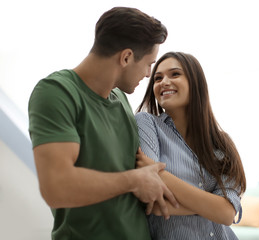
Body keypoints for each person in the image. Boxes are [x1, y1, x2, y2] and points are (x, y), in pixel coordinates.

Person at [28, 7, 178, 240]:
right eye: (149, 64)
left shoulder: (121, 100)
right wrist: (134, 180)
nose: (149, 74)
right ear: (126, 57)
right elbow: (56, 187)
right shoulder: (57, 93)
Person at [135, 51, 247, 240]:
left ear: (195, 83)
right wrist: (213, 207)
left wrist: (160, 173)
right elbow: (153, 200)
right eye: (158, 78)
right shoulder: (146, 123)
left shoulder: (222, 144)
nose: (164, 82)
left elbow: (227, 214)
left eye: (175, 74)